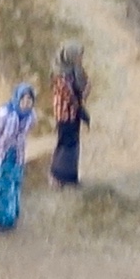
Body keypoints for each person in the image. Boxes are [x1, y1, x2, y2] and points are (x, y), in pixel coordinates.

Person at [0, 81, 35, 234]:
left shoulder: (31, 117)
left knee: (11, 188)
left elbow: (24, 136)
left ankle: (8, 218)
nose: (26, 103)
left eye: (29, 99)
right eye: (23, 99)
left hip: (16, 158)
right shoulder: (4, 115)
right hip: (0, 157)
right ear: (17, 98)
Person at [47, 49, 90, 189]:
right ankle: (56, 177)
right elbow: (71, 97)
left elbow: (84, 86)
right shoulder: (60, 76)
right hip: (64, 117)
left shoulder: (74, 72)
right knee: (65, 146)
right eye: (78, 56)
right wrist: (81, 106)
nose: (80, 59)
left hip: (73, 115)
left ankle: (70, 177)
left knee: (73, 147)